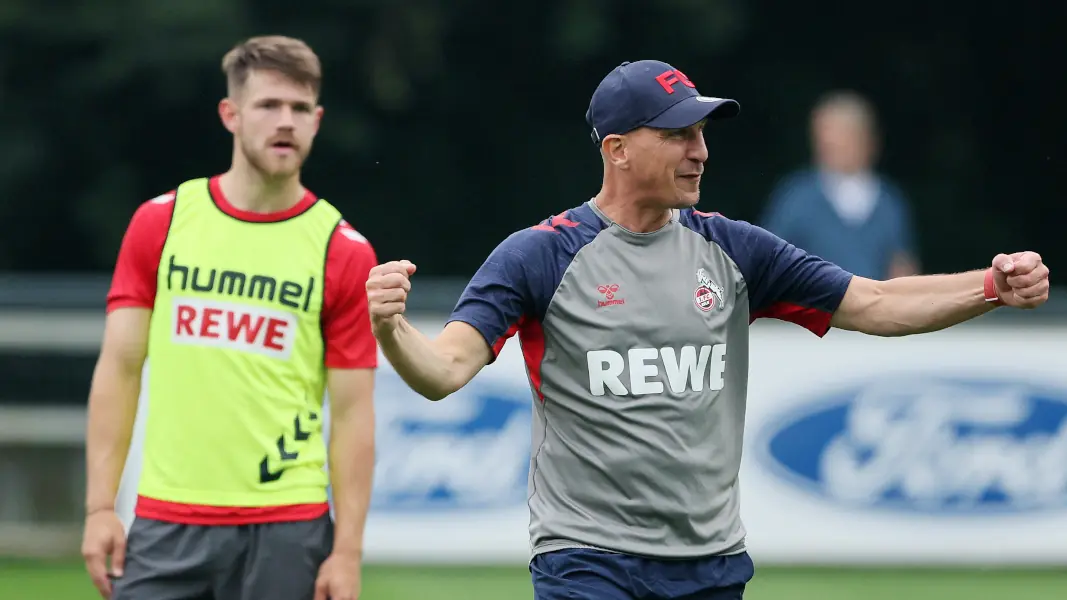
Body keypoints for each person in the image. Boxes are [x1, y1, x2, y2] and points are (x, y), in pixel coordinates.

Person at [365, 59, 1050, 600]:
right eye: (676, 135)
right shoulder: (538, 255)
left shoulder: (734, 250)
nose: (699, 152)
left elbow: (872, 302)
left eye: (700, 134)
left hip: (708, 563)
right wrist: (390, 328)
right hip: (585, 559)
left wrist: (989, 288)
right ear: (617, 149)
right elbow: (444, 371)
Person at [81, 36, 378, 600]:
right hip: (167, 520)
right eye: (268, 105)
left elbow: (354, 413)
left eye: (299, 109)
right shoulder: (161, 224)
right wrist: (99, 506)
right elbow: (119, 371)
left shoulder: (342, 249)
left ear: (317, 121)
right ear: (231, 114)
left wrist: (348, 552)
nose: (285, 121)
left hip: (288, 525)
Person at [761, 91, 920, 280]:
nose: (828, 145)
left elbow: (902, 268)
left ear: (866, 140)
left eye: (840, 136)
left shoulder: (889, 201)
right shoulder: (796, 196)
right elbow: (767, 262)